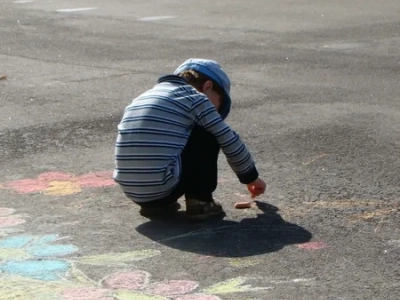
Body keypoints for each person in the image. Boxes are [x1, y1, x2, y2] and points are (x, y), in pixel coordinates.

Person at [113, 58, 266, 221]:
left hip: (133, 191)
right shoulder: (196, 98)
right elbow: (230, 140)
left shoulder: (144, 97)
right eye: (219, 105)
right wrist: (251, 177)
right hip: (161, 187)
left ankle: (158, 205)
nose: (217, 112)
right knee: (210, 131)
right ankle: (201, 201)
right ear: (207, 87)